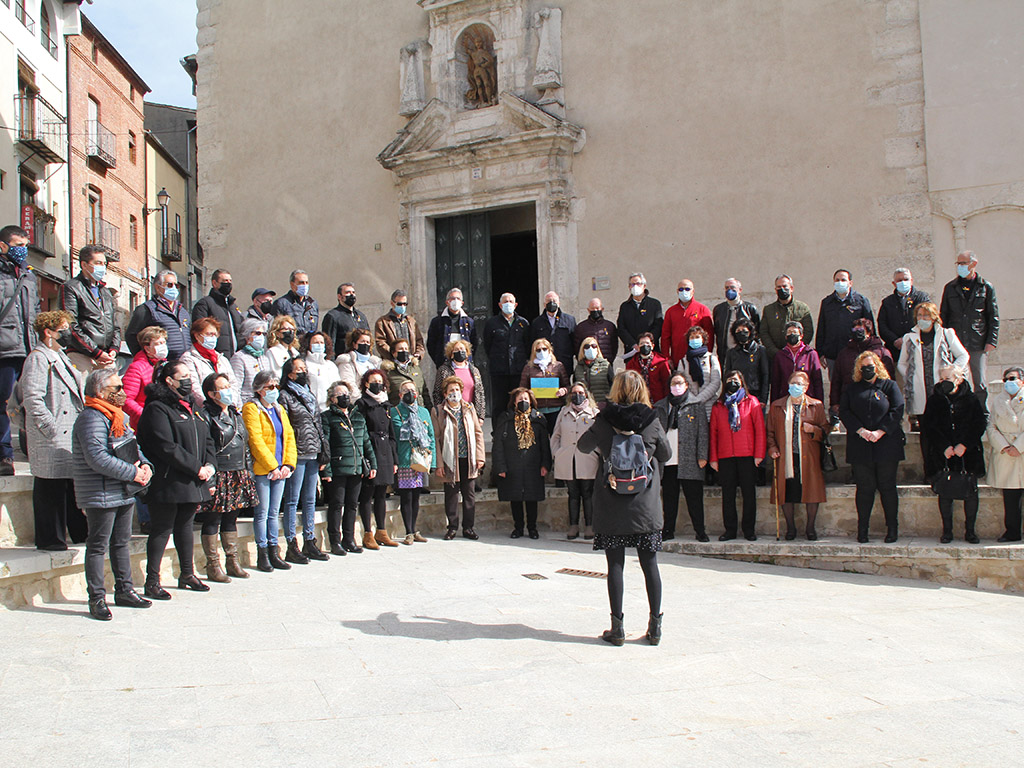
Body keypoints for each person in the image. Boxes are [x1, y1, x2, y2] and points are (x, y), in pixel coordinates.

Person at [577, 369, 671, 646]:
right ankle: (655, 628)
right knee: (649, 564)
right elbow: (666, 453)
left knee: (615, 565)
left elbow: (583, 446)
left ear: (615, 390)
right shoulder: (652, 419)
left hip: (611, 499)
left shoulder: (605, 419)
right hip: (645, 504)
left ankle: (617, 628)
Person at [73, 368, 153, 620]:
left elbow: (131, 445)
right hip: (100, 491)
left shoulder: (117, 416)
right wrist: (132, 472)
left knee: (121, 542)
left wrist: (145, 466)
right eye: (116, 389)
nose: (122, 392)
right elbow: (97, 458)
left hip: (121, 489)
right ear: (99, 391)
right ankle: (96, 598)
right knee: (98, 546)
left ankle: (124, 590)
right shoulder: (91, 418)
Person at [137, 360, 218, 598]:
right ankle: (152, 581)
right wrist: (197, 468)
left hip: (192, 479)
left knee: (185, 526)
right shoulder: (157, 408)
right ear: (169, 380)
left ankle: (187, 574)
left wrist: (210, 466)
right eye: (182, 376)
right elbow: (165, 446)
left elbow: (208, 439)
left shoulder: (192, 407)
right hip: (168, 480)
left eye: (188, 375)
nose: (187, 380)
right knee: (162, 529)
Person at [21, 310, 86, 551]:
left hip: (67, 434)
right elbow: (32, 397)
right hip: (52, 434)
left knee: (69, 486)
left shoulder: (61, 356)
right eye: (63, 329)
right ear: (49, 333)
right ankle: (51, 539)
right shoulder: (39, 358)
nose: (68, 333)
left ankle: (79, 533)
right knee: (50, 487)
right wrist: (50, 428)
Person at [839, 351, 905, 543]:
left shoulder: (889, 386)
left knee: (887, 487)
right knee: (865, 488)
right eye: (863, 367)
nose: (868, 369)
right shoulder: (852, 389)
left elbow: (897, 409)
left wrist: (880, 431)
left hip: (886, 444)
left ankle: (892, 529)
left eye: (871, 366)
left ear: (877, 366)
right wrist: (861, 431)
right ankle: (863, 530)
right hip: (861, 445)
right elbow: (845, 411)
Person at [200, 372, 259, 581]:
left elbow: (245, 445)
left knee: (231, 518)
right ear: (211, 393)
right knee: (212, 519)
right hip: (220, 472)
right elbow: (206, 448)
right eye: (221, 387)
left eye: (228, 385)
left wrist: (248, 472)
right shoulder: (206, 415)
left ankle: (232, 561)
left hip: (238, 471)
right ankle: (212, 565)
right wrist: (210, 479)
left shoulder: (235, 414)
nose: (227, 390)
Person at [921, 366, 986, 544]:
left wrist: (964, 444)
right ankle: (947, 531)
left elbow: (979, 424)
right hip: (945, 454)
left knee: (971, 493)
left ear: (958, 379)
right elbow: (929, 426)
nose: (944, 382)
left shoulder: (971, 399)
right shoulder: (935, 400)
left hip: (967, 453)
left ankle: (970, 531)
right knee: (945, 493)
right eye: (942, 379)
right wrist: (944, 447)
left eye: (948, 378)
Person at [278, 357, 331, 563]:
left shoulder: (308, 393)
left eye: (304, 368)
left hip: (313, 451)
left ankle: (309, 540)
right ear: (290, 374)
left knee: (310, 499)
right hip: (297, 453)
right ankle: (291, 543)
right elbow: (285, 426)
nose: (303, 372)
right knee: (292, 500)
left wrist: (322, 449)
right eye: (298, 369)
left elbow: (317, 423)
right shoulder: (285, 395)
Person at [242, 370, 296, 571]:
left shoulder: (279, 408)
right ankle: (262, 552)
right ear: (259, 389)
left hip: (281, 469)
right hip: (263, 469)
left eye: (276, 386)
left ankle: (274, 550)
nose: (274, 390)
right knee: (262, 512)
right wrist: (272, 466)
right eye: (269, 387)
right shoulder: (251, 409)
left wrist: (287, 465)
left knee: (274, 512)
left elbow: (289, 437)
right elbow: (255, 440)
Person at [767, 371, 829, 541]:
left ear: (806, 386)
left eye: (799, 384)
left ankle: (810, 528)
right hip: (786, 456)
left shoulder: (816, 405)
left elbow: (825, 430)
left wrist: (814, 430)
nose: (795, 386)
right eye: (792, 383)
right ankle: (790, 528)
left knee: (811, 491)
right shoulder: (777, 406)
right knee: (787, 491)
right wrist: (772, 448)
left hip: (808, 456)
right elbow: (770, 432)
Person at [0, 225, 39, 475]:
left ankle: (32, 450)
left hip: (28, 348)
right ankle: (4, 455)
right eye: (17, 245)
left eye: (25, 245)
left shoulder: (29, 275)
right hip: (5, 349)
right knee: (4, 403)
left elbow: (34, 310)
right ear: (3, 246)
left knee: (31, 402)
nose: (22, 250)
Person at [709, 371, 766, 541]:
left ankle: (749, 530)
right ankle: (730, 530)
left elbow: (760, 431)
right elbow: (713, 433)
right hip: (725, 455)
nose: (732, 383)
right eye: (729, 380)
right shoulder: (718, 406)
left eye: (735, 380)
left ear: (742, 382)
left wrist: (759, 454)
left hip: (747, 454)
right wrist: (713, 457)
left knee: (749, 494)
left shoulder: (751, 402)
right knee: (728, 495)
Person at [940, 250, 999, 411]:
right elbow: (943, 315)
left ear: (973, 264)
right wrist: (944, 341)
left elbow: (992, 316)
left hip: (977, 341)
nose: (960, 267)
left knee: (979, 381)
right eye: (958, 264)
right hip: (956, 342)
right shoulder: (950, 287)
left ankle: (982, 413)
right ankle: (960, 412)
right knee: (957, 380)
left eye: (963, 263)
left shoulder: (986, 287)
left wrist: (991, 341)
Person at [897, 302, 970, 430]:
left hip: (941, 386)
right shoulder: (909, 338)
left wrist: (951, 373)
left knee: (943, 427)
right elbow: (902, 363)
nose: (922, 319)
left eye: (926, 315)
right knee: (925, 430)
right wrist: (910, 376)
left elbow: (963, 355)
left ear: (934, 317)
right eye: (919, 315)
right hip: (921, 388)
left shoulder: (946, 334)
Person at [654, 373, 709, 541]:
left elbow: (703, 433)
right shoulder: (661, 406)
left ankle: (700, 531)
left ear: (686, 385)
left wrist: (702, 455)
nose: (676, 386)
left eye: (679, 383)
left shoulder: (696, 405)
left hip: (690, 460)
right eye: (673, 383)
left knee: (694, 498)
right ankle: (668, 530)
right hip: (668, 460)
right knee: (669, 498)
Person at [321, 380, 374, 554]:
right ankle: (334, 541)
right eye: (340, 394)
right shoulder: (327, 417)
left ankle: (349, 539)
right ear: (332, 399)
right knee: (337, 504)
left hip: (356, 467)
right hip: (338, 467)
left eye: (346, 394)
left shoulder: (357, 416)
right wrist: (327, 469)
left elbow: (366, 441)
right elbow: (326, 445)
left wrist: (372, 463)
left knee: (352, 504)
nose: (345, 397)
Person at [493, 388, 552, 540]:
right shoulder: (505, 419)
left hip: (533, 464)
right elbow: (498, 444)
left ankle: (532, 528)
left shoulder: (538, 419)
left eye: (526, 399)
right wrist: (500, 467)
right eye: (520, 399)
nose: (523, 402)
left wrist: (545, 464)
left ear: (531, 401)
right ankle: (518, 527)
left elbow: (545, 444)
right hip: (513, 464)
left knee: (532, 498)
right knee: (516, 498)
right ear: (514, 402)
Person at [432, 376, 485, 540]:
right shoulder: (439, 411)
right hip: (450, 459)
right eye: (450, 390)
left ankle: (468, 527)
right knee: (452, 495)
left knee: (469, 495)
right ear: (445, 393)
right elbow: (436, 438)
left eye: (457, 390)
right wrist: (439, 463)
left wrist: (480, 456)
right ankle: (452, 527)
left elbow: (478, 433)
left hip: (468, 458)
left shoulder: (469, 408)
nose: (454, 393)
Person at [356, 369, 400, 549]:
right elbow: (361, 431)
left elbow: (391, 434)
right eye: (374, 381)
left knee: (382, 493)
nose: (378, 384)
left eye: (380, 381)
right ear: (366, 383)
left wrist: (394, 459)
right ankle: (367, 533)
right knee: (367, 493)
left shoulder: (386, 405)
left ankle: (381, 531)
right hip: (371, 449)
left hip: (385, 451)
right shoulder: (361, 404)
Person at [59, 244, 119, 373]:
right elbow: (70, 324)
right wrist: (95, 352)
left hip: (106, 356)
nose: (102, 267)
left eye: (104, 263)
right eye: (98, 263)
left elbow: (114, 324)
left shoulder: (105, 292)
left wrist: (114, 348)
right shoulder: (71, 287)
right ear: (84, 265)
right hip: (82, 355)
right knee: (84, 391)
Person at [551, 383, 599, 539]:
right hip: (567, 458)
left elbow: (600, 436)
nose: (577, 395)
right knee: (572, 493)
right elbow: (556, 435)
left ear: (586, 394)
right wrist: (557, 453)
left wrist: (597, 453)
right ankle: (573, 525)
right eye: (574, 392)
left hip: (587, 459)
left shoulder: (593, 413)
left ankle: (590, 525)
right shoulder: (563, 412)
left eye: (580, 392)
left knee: (587, 492)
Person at [391, 379, 435, 544]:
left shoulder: (424, 412)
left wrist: (433, 462)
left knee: (416, 495)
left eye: (412, 390)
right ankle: (408, 531)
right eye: (406, 390)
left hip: (421, 459)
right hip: (405, 459)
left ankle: (415, 529)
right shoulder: (395, 412)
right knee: (406, 496)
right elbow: (393, 437)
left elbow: (431, 436)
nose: (410, 393)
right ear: (400, 394)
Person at [829, 318, 895, 420]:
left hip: (876, 401)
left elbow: (890, 378)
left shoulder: (881, 352)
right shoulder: (844, 353)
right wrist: (835, 402)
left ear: (869, 332)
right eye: (855, 331)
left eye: (860, 331)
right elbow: (836, 380)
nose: (857, 334)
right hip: (851, 401)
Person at [816, 268, 874, 380]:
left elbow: (870, 328)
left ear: (850, 282)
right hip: (833, 354)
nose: (840, 282)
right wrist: (820, 352)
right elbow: (822, 328)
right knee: (835, 386)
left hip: (855, 353)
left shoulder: (861, 301)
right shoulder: (827, 303)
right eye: (837, 280)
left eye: (843, 280)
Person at [987, 367, 1024, 542]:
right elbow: (991, 426)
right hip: (1007, 455)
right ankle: (1012, 532)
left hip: (1021, 451)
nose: (1009, 382)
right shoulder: (998, 401)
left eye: (1012, 379)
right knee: (1010, 498)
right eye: (1006, 379)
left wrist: (1019, 446)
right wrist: (1004, 447)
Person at [482, 292, 530, 415]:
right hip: (499, 372)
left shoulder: (523, 323)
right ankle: (498, 432)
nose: (508, 304)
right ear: (499, 305)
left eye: (510, 301)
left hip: (518, 371)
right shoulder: (492, 323)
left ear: (515, 305)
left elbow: (527, 345)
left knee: (518, 402)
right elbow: (487, 345)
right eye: (505, 302)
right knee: (499, 404)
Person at [125, 270, 190, 359]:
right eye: (170, 285)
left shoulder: (182, 311)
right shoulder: (146, 309)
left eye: (176, 285)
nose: (174, 288)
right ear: (158, 287)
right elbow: (131, 336)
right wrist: (146, 359)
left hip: (184, 363)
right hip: (161, 364)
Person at [179, 317, 239, 408]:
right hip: (205, 409)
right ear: (197, 335)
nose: (213, 338)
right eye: (209, 334)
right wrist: (207, 406)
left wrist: (231, 404)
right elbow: (194, 387)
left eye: (215, 334)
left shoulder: (222, 359)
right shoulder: (188, 359)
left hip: (227, 408)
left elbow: (233, 384)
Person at [877, 267, 929, 360]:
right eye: (899, 280)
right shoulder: (887, 302)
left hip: (918, 348)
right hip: (895, 351)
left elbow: (926, 319)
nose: (903, 282)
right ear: (894, 283)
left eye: (906, 279)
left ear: (912, 281)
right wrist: (895, 340)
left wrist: (907, 339)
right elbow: (882, 325)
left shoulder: (922, 298)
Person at [519, 337, 569, 434]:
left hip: (556, 408)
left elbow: (568, 386)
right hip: (537, 409)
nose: (542, 352)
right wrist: (529, 393)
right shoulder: (528, 367)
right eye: (538, 350)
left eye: (544, 349)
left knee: (555, 437)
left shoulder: (558, 366)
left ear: (549, 350)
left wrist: (564, 390)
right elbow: (522, 389)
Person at [662, 279, 715, 368]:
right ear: (677, 291)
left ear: (693, 291)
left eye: (687, 289)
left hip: (698, 357)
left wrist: (706, 355)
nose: (684, 292)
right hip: (678, 358)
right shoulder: (671, 312)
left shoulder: (702, 309)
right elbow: (665, 336)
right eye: (681, 289)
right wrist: (666, 357)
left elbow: (709, 334)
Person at [760, 274, 814, 361]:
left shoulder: (803, 308)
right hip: (775, 357)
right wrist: (775, 352)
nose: (782, 289)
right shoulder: (768, 310)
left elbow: (808, 332)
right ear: (775, 290)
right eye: (779, 287)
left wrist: (796, 350)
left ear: (791, 288)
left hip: (797, 357)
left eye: (785, 286)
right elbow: (763, 333)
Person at [123, 326, 169, 430]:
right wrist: (145, 416)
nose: (163, 346)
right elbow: (126, 399)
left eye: (164, 342)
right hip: (146, 423)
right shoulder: (137, 367)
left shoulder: (164, 365)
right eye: (158, 344)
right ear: (147, 348)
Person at [191, 268, 245, 356]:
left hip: (235, 357)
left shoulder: (233, 307)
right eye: (224, 281)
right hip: (216, 356)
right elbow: (199, 330)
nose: (228, 284)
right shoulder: (205, 304)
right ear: (214, 283)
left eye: (229, 281)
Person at [770, 321, 824, 403]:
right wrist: (774, 404)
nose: (792, 334)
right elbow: (775, 383)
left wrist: (819, 403)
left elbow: (817, 381)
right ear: (785, 336)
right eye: (789, 332)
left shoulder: (811, 354)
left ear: (801, 335)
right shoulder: (780, 355)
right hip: (785, 399)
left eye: (795, 332)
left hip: (807, 399)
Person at [433, 339, 486, 421]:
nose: (460, 351)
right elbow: (437, 392)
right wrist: (440, 413)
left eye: (462, 349)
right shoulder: (444, 370)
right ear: (451, 354)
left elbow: (480, 393)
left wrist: (480, 416)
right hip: (451, 413)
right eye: (456, 350)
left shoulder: (474, 371)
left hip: (471, 413)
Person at [723, 318, 770, 407]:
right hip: (736, 395)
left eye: (744, 330)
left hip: (756, 395)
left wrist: (763, 399)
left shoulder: (760, 350)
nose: (741, 333)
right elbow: (727, 375)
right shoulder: (731, 353)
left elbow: (765, 375)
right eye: (738, 330)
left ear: (750, 332)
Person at [712, 278, 760, 365]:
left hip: (745, 353)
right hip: (725, 354)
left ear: (740, 290)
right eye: (727, 288)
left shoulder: (750, 308)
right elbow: (717, 331)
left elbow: (757, 332)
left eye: (733, 288)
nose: (729, 290)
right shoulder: (719, 309)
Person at [677, 326, 721, 420]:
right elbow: (681, 383)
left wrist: (699, 399)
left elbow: (716, 382)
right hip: (690, 405)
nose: (694, 339)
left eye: (697, 337)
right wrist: (692, 399)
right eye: (692, 337)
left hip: (709, 406)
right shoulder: (683, 362)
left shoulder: (711, 359)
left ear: (703, 339)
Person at [426, 287, 476, 367]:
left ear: (462, 303)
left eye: (458, 298)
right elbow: (431, 344)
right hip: (445, 365)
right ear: (447, 302)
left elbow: (473, 343)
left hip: (464, 364)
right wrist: (439, 361)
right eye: (452, 298)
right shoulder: (437, 322)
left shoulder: (469, 322)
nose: (455, 301)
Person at [617, 272, 663, 357]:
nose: (635, 286)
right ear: (629, 287)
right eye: (632, 284)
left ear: (644, 286)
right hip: (632, 352)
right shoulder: (625, 306)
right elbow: (621, 328)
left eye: (638, 283)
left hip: (651, 351)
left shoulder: (654, 304)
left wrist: (647, 342)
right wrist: (634, 344)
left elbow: (658, 326)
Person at [529, 291, 577, 373]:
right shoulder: (537, 322)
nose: (552, 303)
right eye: (548, 301)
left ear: (559, 303)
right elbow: (533, 343)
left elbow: (574, 341)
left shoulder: (569, 320)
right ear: (544, 304)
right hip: (544, 364)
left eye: (554, 301)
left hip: (564, 362)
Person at [374, 289, 425, 362]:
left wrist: (418, 354)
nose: (402, 306)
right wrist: (395, 354)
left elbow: (419, 340)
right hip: (392, 363)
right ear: (392, 303)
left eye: (405, 304)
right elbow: (380, 343)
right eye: (399, 304)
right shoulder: (382, 322)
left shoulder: (411, 321)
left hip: (410, 362)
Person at [322, 282, 370, 354]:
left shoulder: (361, 316)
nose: (352, 295)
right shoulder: (332, 316)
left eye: (353, 292)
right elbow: (329, 343)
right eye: (348, 292)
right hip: (343, 358)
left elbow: (369, 338)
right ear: (339, 296)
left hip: (361, 359)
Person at [625, 331, 672, 405]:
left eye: (647, 343)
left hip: (658, 401)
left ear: (652, 346)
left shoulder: (661, 362)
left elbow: (666, 383)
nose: (645, 345)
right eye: (642, 344)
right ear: (638, 347)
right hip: (638, 402)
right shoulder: (632, 363)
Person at [381, 338, 431, 407]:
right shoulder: (388, 372)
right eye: (401, 349)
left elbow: (424, 392)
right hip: (399, 412)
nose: (404, 351)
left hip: (419, 410)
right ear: (394, 353)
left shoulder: (416, 368)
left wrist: (429, 409)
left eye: (406, 349)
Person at [231, 318, 271, 403]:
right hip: (248, 404)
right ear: (247, 336)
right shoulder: (239, 357)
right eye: (258, 333)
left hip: (264, 403)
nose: (261, 337)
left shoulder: (264, 358)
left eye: (263, 334)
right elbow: (236, 387)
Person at [337, 327, 382, 398]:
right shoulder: (346, 361)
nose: (365, 344)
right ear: (354, 344)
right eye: (362, 341)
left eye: (367, 342)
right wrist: (361, 402)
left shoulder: (375, 362)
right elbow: (349, 384)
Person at [272, 269, 319, 336]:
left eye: (306, 282)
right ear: (292, 284)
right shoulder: (281, 303)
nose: (305, 286)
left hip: (308, 344)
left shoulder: (312, 303)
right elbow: (276, 329)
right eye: (301, 283)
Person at [573, 297, 618, 363]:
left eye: (597, 308)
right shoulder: (581, 327)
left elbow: (614, 346)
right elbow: (577, 347)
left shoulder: (610, 326)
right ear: (588, 310)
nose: (595, 310)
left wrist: (609, 360)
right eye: (593, 308)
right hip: (587, 365)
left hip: (606, 364)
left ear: (602, 309)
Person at [574, 335, 613, 408]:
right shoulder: (578, 368)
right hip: (584, 406)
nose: (590, 348)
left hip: (603, 405)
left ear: (597, 349)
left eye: (594, 346)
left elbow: (613, 385)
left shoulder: (606, 365)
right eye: (587, 346)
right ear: (583, 350)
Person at [301, 331, 335, 412]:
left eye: (321, 342)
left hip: (329, 409)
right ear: (308, 344)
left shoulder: (331, 365)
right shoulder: (304, 364)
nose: (319, 345)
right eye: (316, 342)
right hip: (312, 409)